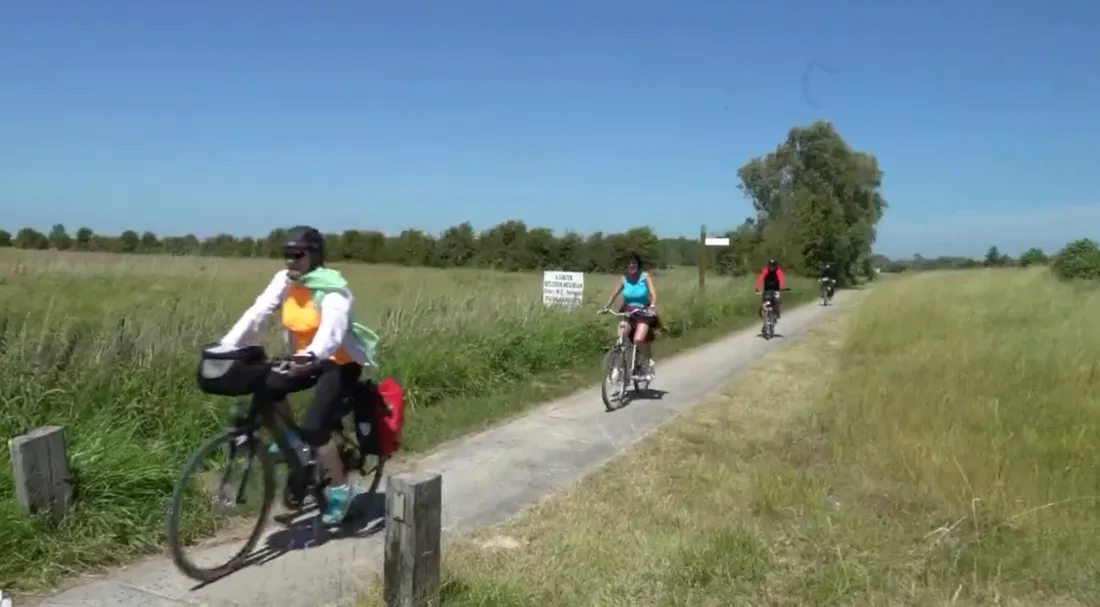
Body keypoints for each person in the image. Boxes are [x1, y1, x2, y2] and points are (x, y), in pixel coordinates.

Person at [218, 225, 380, 525]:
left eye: (297, 254)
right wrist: (226, 345)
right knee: (266, 385)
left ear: (315, 255)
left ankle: (341, 490)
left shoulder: (333, 289)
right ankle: (293, 442)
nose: (290, 261)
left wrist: (311, 354)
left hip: (337, 362)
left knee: (315, 425)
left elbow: (332, 332)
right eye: (286, 255)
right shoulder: (286, 281)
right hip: (304, 359)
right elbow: (258, 311)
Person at [603, 253, 661, 380]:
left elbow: (653, 293)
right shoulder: (624, 279)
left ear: (638, 264)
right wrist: (606, 307)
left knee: (638, 340)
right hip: (628, 311)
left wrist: (652, 305)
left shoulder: (645, 276)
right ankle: (617, 370)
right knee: (621, 337)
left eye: (634, 263)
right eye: (629, 263)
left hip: (643, 311)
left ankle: (645, 364)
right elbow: (614, 294)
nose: (631, 265)